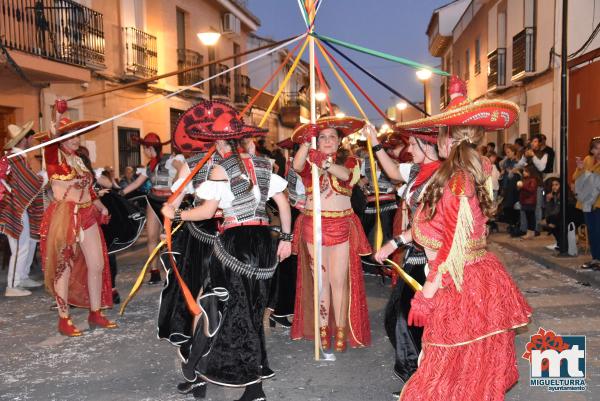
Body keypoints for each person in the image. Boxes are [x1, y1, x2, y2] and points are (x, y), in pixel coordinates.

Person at [393, 76, 531, 401]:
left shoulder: (456, 179)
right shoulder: (481, 169)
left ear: (446, 138)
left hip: (456, 282)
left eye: (441, 133)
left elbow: (454, 243)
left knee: (441, 366)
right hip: (480, 274)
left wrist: (428, 292)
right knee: (472, 366)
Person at [161, 100, 292, 401]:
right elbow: (283, 204)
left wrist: (175, 214)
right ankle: (254, 388)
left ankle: (199, 375)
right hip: (264, 242)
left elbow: (207, 212)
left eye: (215, 141)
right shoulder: (264, 164)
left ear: (221, 142)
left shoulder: (221, 167)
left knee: (212, 307)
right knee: (252, 311)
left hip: (236, 244)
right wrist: (286, 239)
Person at [365, 125, 439, 389]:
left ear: (426, 146)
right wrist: (374, 143)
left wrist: (394, 242)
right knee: (399, 317)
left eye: (412, 145)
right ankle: (417, 377)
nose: (408, 150)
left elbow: (432, 223)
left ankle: (421, 380)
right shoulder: (417, 171)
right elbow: (393, 171)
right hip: (414, 253)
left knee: (409, 319)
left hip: (434, 260)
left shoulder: (443, 177)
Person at [290, 116, 371, 352]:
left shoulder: (350, 161)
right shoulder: (309, 163)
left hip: (341, 227)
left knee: (338, 280)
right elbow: (296, 166)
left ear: (339, 142)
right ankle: (323, 329)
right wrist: (306, 142)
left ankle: (342, 331)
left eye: (331, 137)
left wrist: (323, 162)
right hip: (312, 226)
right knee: (321, 282)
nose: (327, 140)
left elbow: (346, 177)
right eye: (322, 137)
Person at [40, 117, 116, 337]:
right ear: (61, 138)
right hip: (65, 215)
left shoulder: (78, 159)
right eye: (70, 135)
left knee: (97, 264)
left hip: (86, 214)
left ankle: (95, 313)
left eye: (77, 134)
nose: (76, 139)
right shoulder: (53, 156)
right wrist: (57, 118)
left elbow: (90, 192)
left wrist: (100, 206)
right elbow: (50, 143)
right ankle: (64, 319)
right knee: (64, 266)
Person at [119, 133, 191, 284]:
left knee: (171, 239)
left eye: (144, 148)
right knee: (152, 238)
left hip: (169, 202)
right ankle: (155, 272)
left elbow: (182, 169)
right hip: (153, 200)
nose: (144, 152)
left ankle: (175, 272)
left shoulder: (172, 159)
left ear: (149, 147)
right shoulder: (149, 165)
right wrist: (119, 193)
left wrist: (176, 188)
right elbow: (137, 183)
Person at [0, 121, 45, 296]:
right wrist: (45, 176)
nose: (33, 140)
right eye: (30, 137)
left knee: (28, 243)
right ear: (24, 139)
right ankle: (13, 284)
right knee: (20, 246)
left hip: (17, 206)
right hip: (13, 208)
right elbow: (31, 182)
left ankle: (23, 276)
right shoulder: (16, 158)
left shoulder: (19, 157)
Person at [574, 137, 600, 270]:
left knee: (598, 230)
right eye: (596, 148)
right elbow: (576, 179)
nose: (599, 150)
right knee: (592, 231)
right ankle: (595, 259)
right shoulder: (587, 160)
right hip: (587, 202)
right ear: (591, 150)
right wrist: (580, 169)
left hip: (598, 202)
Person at [517, 165, 541, 240]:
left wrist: (522, 185)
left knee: (531, 217)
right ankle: (529, 232)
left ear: (531, 172)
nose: (524, 172)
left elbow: (532, 189)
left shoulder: (533, 180)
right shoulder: (525, 179)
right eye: (523, 171)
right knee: (528, 217)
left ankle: (531, 232)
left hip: (530, 201)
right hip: (524, 201)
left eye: (526, 171)